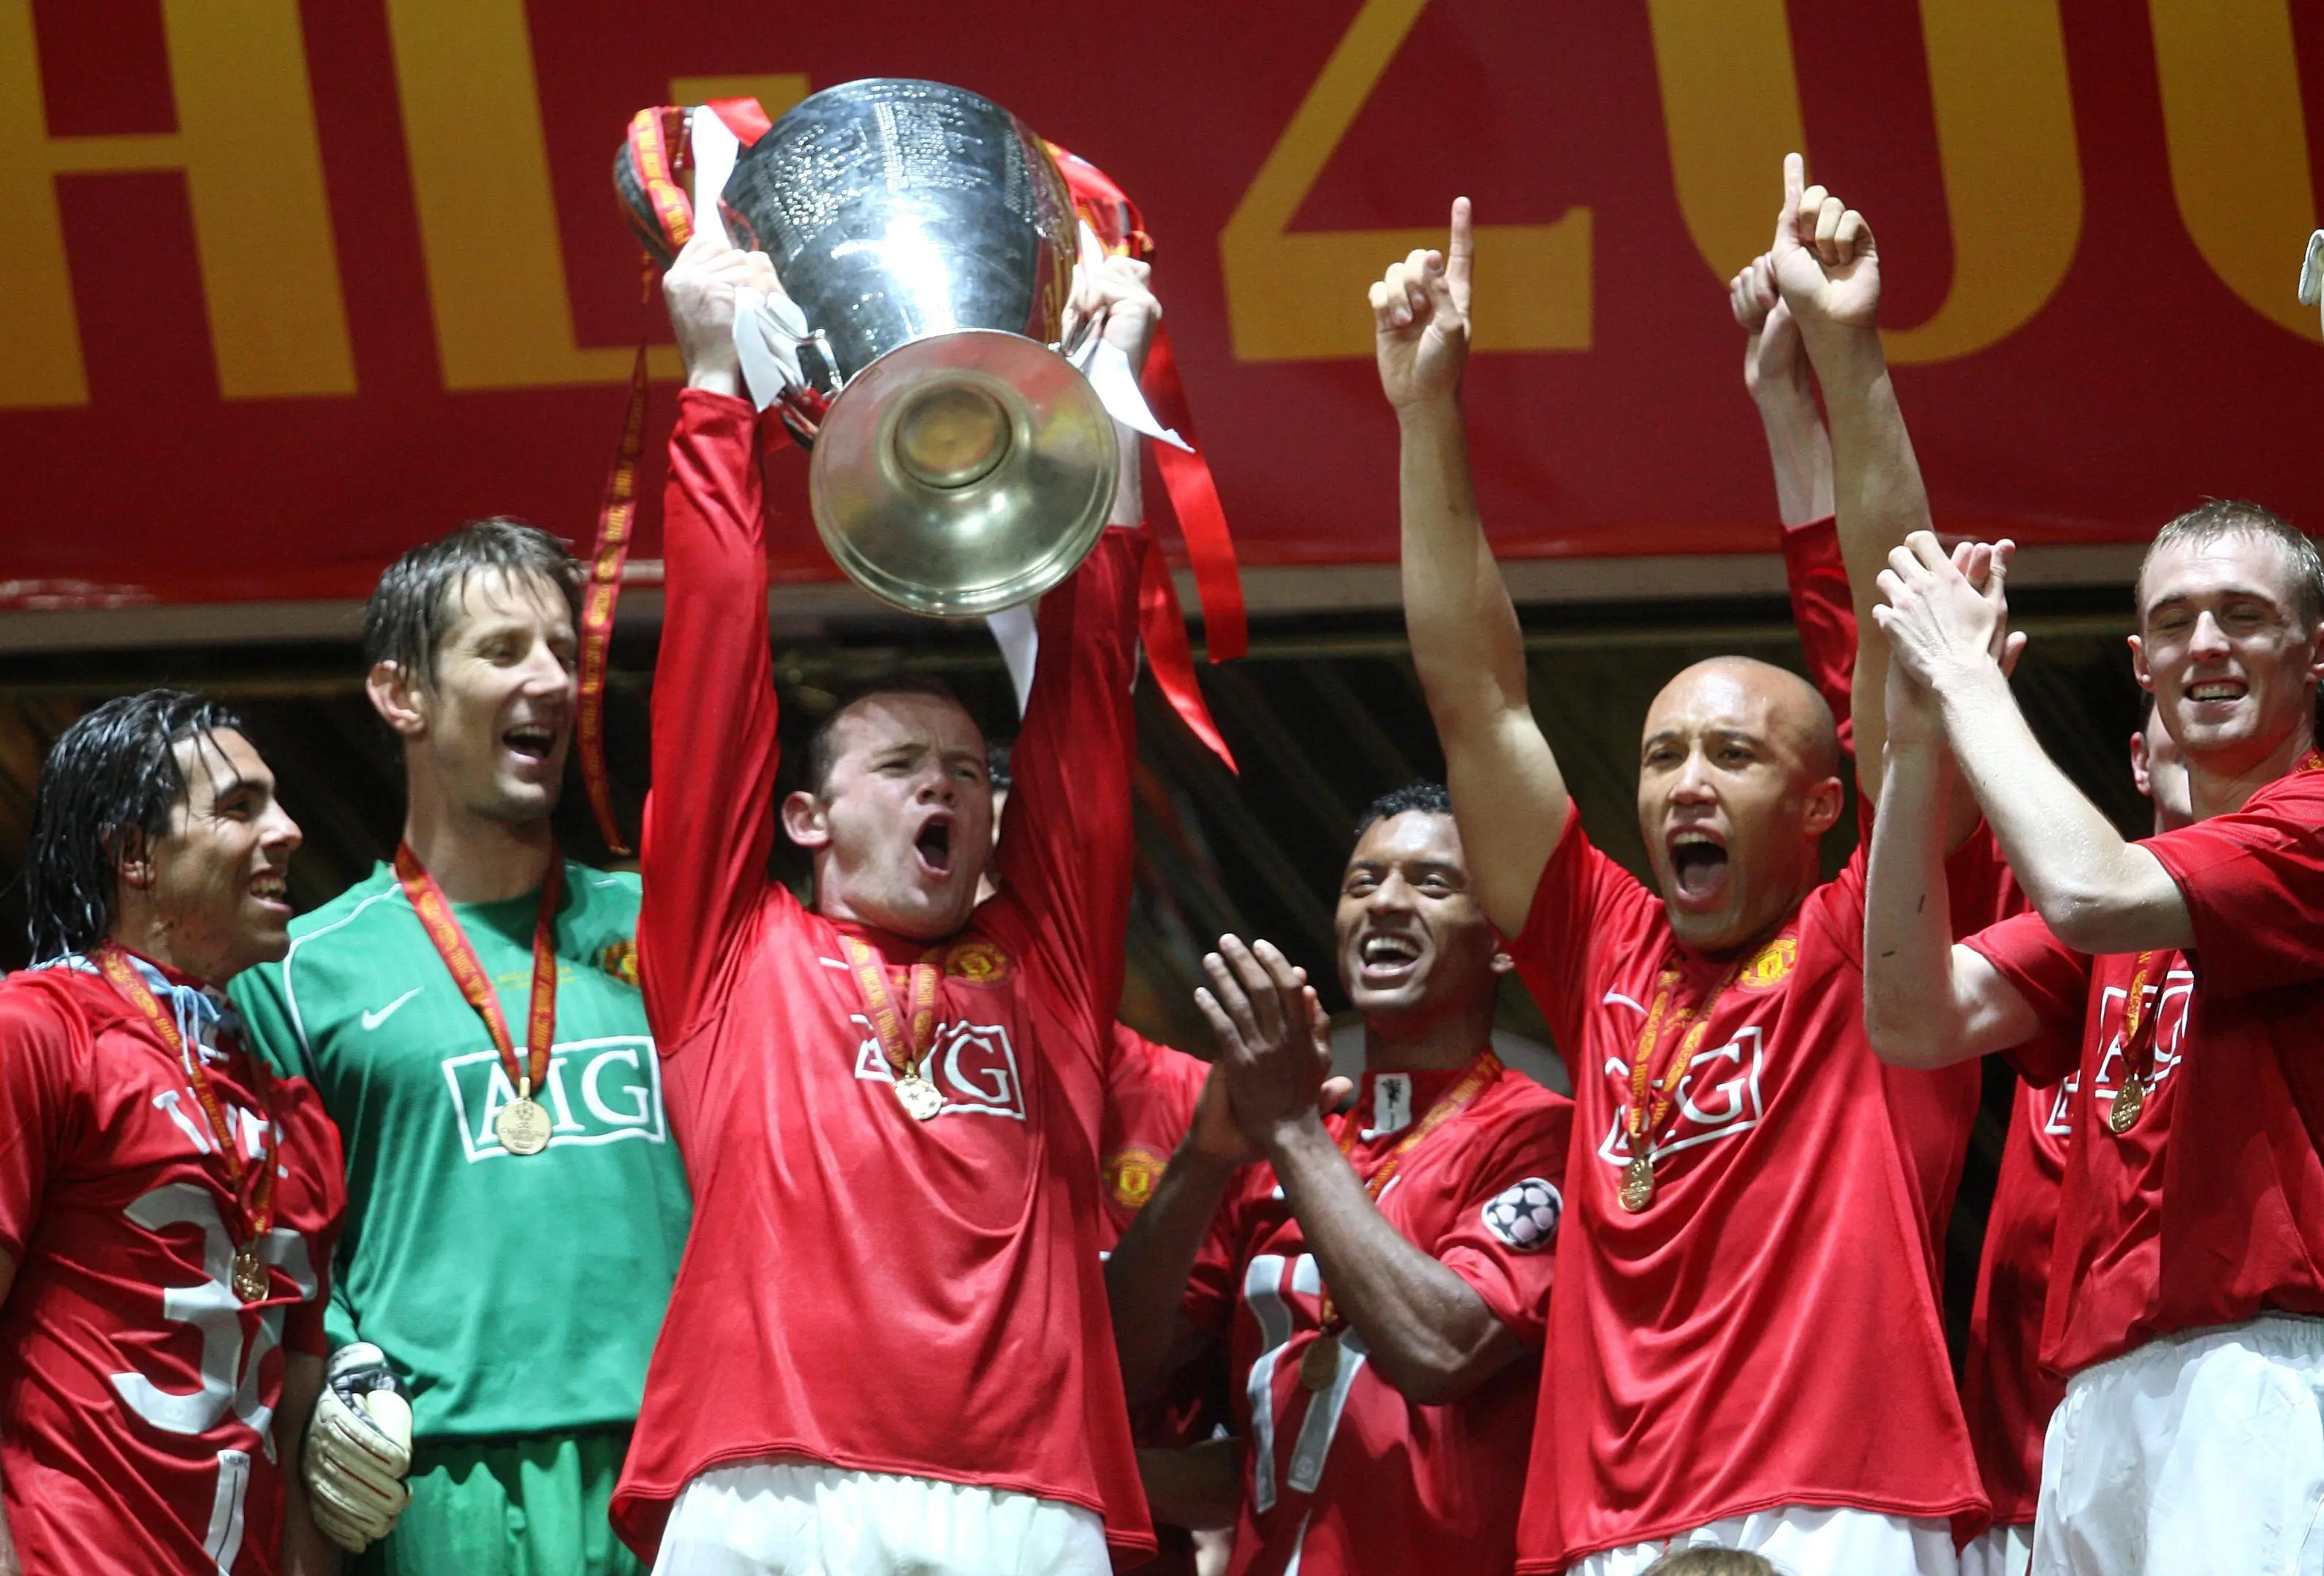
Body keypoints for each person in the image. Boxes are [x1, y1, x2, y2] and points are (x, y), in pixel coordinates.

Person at [1376, 162, 1993, 1575]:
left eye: (1731, 753)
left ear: (1827, 802)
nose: (1683, 783)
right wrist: (1424, 417)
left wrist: (1845, 355)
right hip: (1600, 1530)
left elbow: (1913, 657)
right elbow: (1475, 692)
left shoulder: (1870, 931)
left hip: (1843, 1502)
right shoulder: (1598, 936)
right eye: (1659, 757)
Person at [608, 230, 1162, 1574]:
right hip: (769, 1479)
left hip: (1025, 1498)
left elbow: (1087, 690)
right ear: (806, 818)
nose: (950, 791)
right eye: (904, 767)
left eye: (970, 774)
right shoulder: (733, 961)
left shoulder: (1051, 971)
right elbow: (710, 681)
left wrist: (1112, 394)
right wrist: (707, 390)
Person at [1865, 497, 2324, 1575]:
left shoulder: (2305, 827)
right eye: (2172, 623)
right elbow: (1910, 1014)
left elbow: (2082, 887)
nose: (2202, 644)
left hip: (2257, 1376)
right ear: (2139, 662)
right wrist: (1912, 739)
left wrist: (1970, 681)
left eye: (2240, 615)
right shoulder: (2136, 901)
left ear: (2313, 657)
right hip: (2094, 1401)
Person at [230, 522, 692, 1574]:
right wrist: (339, 1359)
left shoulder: (671, 928)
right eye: (502, 651)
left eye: (562, 653)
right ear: (402, 695)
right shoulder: (299, 972)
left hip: (683, 1471)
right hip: (436, 1490)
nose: (549, 680)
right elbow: (268, 1243)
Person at [1108, 781, 1572, 1573]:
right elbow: (1119, 1366)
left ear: (1500, 939)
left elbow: (1440, 1348)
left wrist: (1288, 1127)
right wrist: (1205, 1157)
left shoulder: (1540, 1134)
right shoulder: (1280, 1152)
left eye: (1430, 883)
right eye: (1362, 882)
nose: (1384, 903)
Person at [0, 691, 344, 1574]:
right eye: (239, 807)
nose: (289, 830)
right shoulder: (36, 1032)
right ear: (134, 855)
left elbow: (295, 1428)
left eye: (277, 798)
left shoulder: (296, 1117)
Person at [1953, 704, 2188, 1576]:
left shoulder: (2287, 919)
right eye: (2170, 709)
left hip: (2199, 1418)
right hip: (2025, 1473)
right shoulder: (2066, 923)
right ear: (2135, 756)